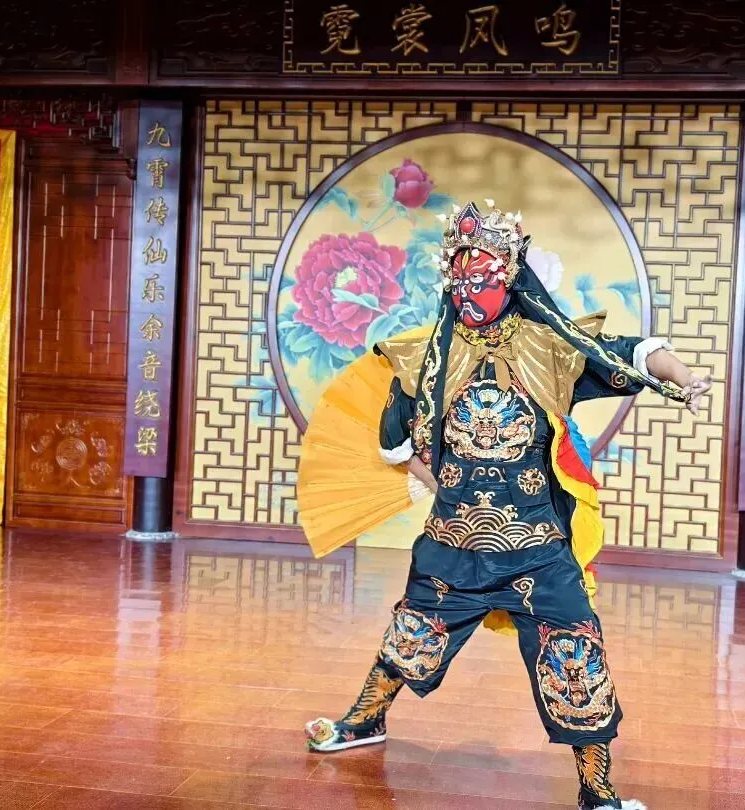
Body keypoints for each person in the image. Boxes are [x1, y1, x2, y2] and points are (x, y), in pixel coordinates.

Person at [305, 201, 712, 810]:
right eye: (460, 279)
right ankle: (365, 720)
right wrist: (444, 487)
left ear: (512, 275)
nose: (470, 291)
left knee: (575, 654)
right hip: (452, 545)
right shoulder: (423, 359)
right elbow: (395, 445)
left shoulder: (552, 348)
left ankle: (597, 790)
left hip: (538, 550)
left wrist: (680, 374)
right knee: (411, 633)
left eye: (483, 278)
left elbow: (631, 353)